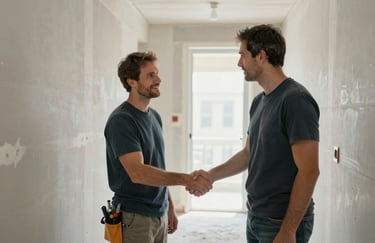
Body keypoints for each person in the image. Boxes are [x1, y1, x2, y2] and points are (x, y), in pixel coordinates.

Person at [189, 24, 320, 243]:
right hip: (257, 216)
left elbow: (309, 171)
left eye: (242, 55)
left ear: (261, 56)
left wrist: (288, 231)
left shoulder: (295, 100)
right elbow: (248, 154)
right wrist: (211, 175)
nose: (239, 63)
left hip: (281, 221)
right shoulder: (259, 101)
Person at [105, 51, 212, 243]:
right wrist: (186, 179)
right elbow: (138, 173)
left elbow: (157, 165)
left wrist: (168, 205)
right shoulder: (121, 120)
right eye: (150, 75)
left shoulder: (154, 117)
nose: (158, 79)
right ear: (132, 82)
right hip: (133, 217)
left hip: (158, 212)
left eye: (157, 73)